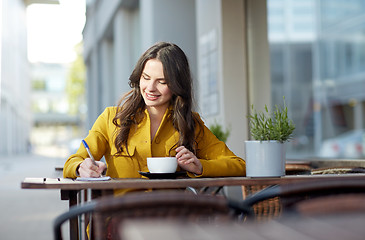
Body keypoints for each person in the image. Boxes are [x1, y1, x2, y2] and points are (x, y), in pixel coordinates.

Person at [63, 42, 246, 195]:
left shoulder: (191, 124)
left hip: (171, 220)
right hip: (121, 219)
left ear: (177, 85)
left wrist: (200, 167)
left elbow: (239, 165)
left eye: (162, 82)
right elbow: (73, 161)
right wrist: (81, 167)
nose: (150, 88)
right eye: (146, 77)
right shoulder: (111, 118)